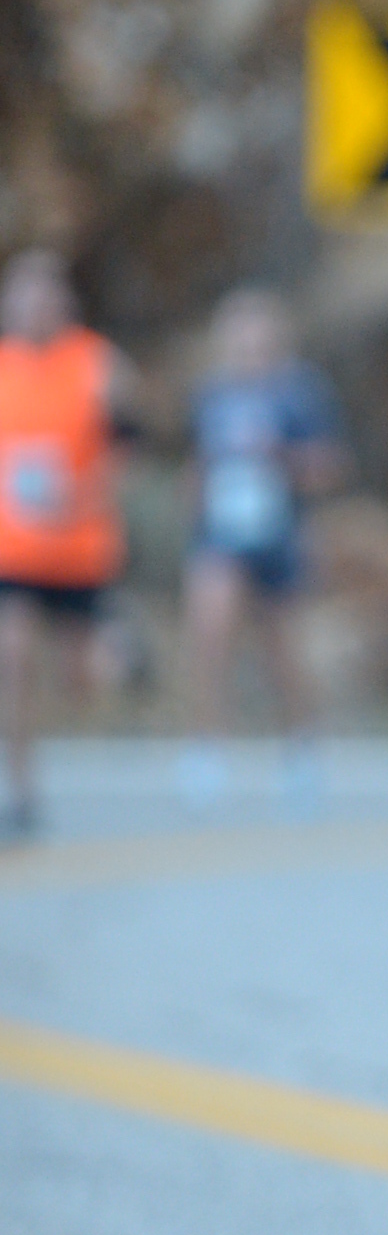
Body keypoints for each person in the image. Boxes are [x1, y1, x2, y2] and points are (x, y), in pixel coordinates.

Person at [181, 288, 346, 803]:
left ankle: (300, 746)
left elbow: (329, 467)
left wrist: (281, 458)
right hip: (221, 534)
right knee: (210, 633)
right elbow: (196, 462)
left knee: (283, 651)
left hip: (279, 535)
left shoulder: (300, 393)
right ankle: (209, 747)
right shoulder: (211, 394)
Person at [0, 247, 143, 839]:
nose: (35, 306)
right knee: (13, 656)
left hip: (80, 547)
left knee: (80, 680)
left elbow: (129, 443)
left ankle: (121, 654)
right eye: (23, 294)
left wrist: (90, 494)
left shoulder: (97, 363)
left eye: (46, 294)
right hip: (14, 549)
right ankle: (22, 793)